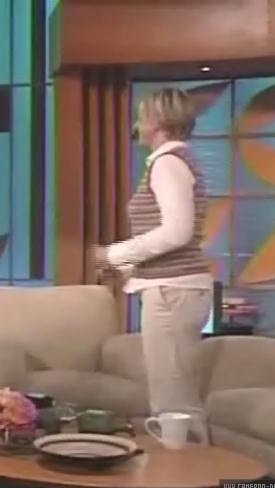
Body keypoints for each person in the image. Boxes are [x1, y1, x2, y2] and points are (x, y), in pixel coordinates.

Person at [93, 87, 213, 444]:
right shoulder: (172, 161)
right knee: (171, 392)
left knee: (174, 399)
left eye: (141, 116)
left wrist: (112, 254)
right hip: (172, 287)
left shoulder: (168, 163)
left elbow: (177, 232)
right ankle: (184, 470)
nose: (136, 125)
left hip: (174, 291)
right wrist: (129, 268)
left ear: (159, 121)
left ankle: (191, 474)